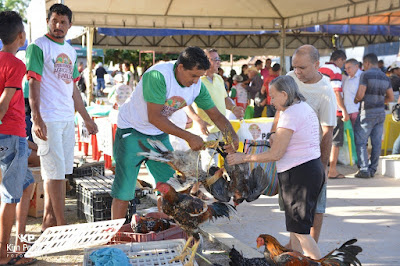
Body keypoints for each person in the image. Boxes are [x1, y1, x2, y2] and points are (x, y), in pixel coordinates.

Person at [111, 46, 239, 219]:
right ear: (180, 68)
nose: (195, 81)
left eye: (199, 77)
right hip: (132, 131)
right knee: (124, 191)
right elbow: (154, 117)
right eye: (193, 75)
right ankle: (116, 236)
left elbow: (215, 115)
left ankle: (163, 226)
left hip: (158, 134)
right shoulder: (158, 76)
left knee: (171, 188)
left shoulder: (197, 86)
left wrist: (232, 134)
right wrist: (189, 136)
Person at [227, 76, 324, 259]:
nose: (270, 101)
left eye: (273, 96)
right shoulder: (304, 108)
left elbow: (275, 154)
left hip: (300, 175)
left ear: (285, 94)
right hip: (308, 170)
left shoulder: (290, 114)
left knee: (302, 232)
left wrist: (244, 157)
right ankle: (296, 260)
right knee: (296, 229)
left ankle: (319, 263)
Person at [26, 3, 98, 231]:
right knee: (54, 173)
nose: (58, 25)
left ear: (70, 25)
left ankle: (49, 221)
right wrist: (36, 118)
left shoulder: (69, 49)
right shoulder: (38, 46)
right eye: (54, 21)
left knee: (59, 173)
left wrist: (86, 118)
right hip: (48, 118)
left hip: (67, 118)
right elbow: (33, 83)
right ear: (48, 21)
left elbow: (74, 89)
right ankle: (61, 223)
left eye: (63, 22)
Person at [283, 45, 336, 246]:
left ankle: (312, 245)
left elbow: (327, 131)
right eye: (295, 66)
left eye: (302, 68)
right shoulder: (290, 78)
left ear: (316, 65)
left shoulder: (326, 91)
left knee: (316, 204)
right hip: (289, 155)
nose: (297, 72)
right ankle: (294, 244)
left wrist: (323, 166)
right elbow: (280, 111)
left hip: (312, 156)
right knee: (292, 203)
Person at [0, 10, 37, 265]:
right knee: (9, 197)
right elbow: (4, 102)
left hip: (14, 136)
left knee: (28, 183)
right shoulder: (16, 64)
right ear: (21, 36)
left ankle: (20, 240)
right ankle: (4, 253)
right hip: (10, 134)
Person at [187, 48, 244, 165]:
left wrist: (233, 108)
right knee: (209, 165)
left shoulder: (218, 78)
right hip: (206, 131)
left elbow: (225, 98)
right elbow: (186, 104)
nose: (219, 62)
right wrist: (198, 120)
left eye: (219, 59)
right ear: (206, 61)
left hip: (222, 129)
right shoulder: (197, 81)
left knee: (229, 162)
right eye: (216, 59)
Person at [354, 53, 394, 178]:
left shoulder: (365, 75)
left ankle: (364, 169)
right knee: (377, 143)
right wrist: (381, 101)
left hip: (367, 112)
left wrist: (355, 100)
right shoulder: (385, 77)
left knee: (361, 141)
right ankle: (373, 169)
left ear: (366, 63)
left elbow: (360, 95)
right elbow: (391, 97)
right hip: (380, 113)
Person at [319, 50, 348, 180]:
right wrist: (343, 110)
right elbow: (337, 92)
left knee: (321, 139)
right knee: (335, 141)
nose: (343, 65)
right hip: (333, 111)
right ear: (340, 59)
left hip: (320, 109)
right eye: (343, 62)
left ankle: (320, 169)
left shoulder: (321, 68)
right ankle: (332, 170)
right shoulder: (335, 70)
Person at [343, 59, 362, 127]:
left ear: (356, 66)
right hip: (348, 111)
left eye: (349, 68)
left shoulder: (362, 77)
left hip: (357, 111)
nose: (347, 70)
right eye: (345, 69)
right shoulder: (347, 79)